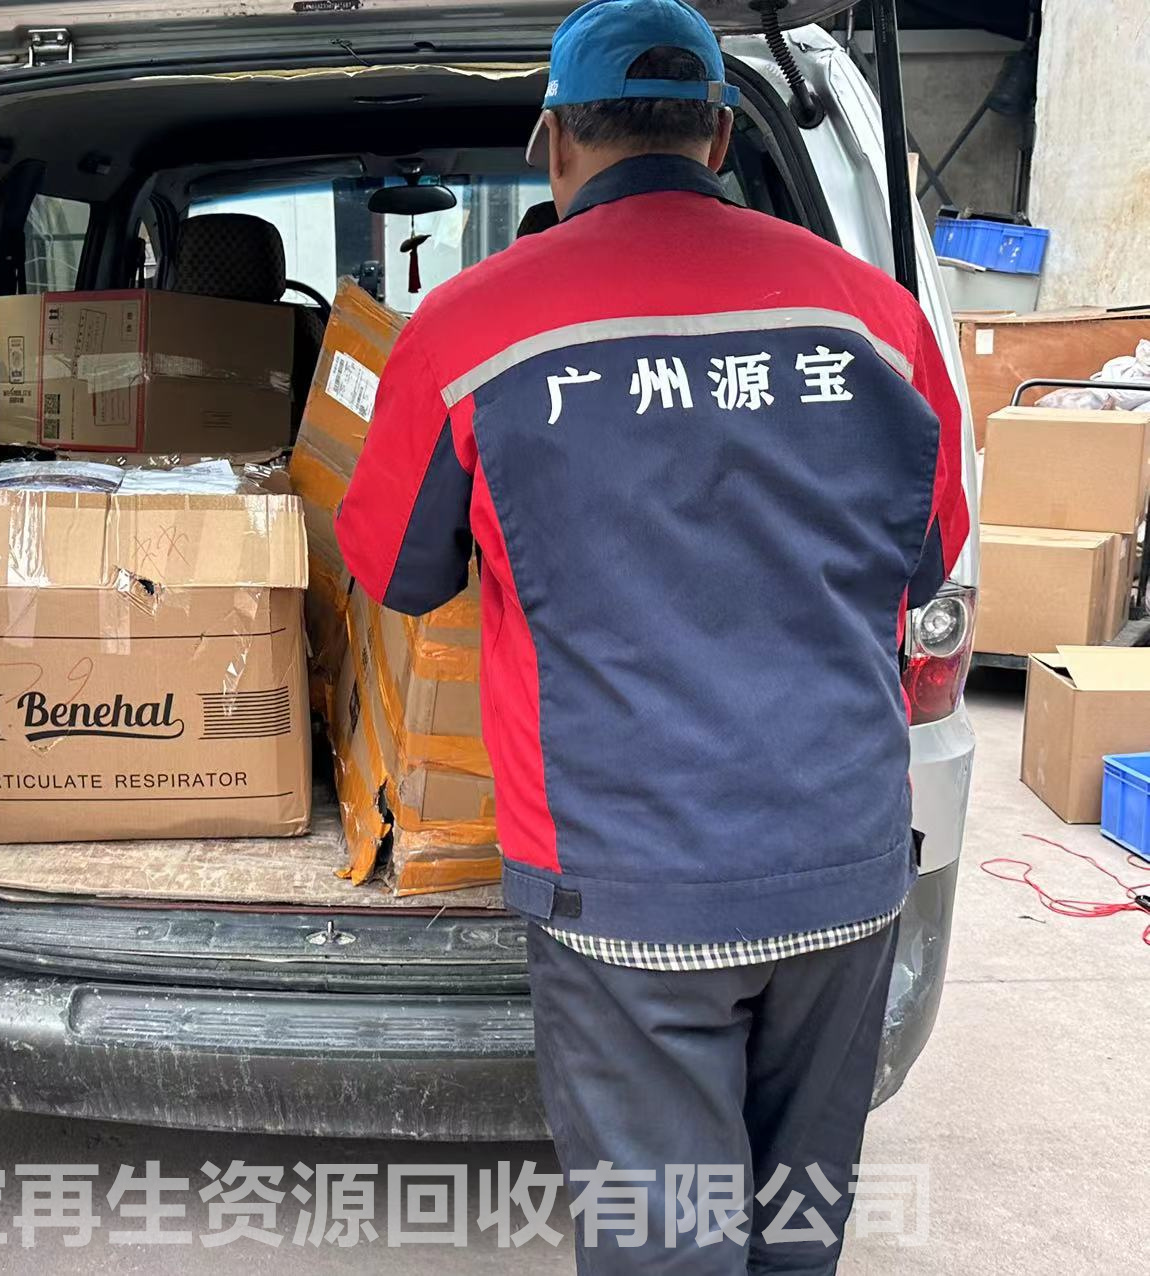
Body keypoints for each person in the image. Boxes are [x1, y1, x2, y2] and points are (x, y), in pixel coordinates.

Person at [335, 1, 967, 1271]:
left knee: (664, 1243)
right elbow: (930, 552)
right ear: (721, 137)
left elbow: (394, 571)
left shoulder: (468, 330)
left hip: (625, 884)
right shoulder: (876, 321)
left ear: (555, 140)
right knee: (797, 1224)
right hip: (841, 865)